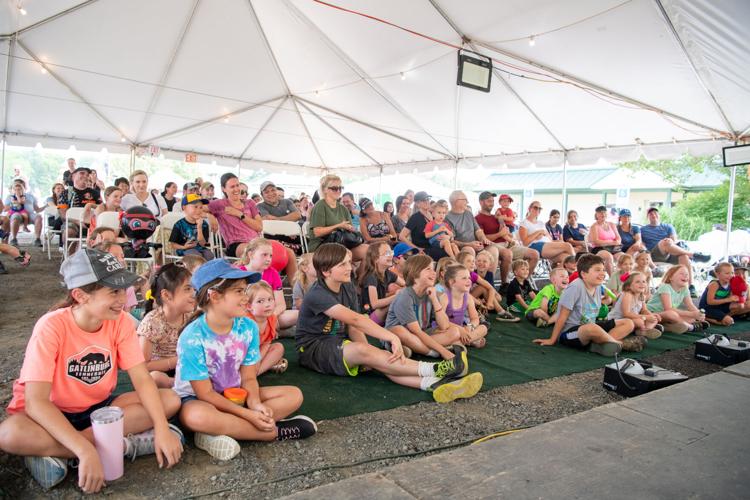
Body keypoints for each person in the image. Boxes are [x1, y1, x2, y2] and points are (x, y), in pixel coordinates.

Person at [0, 249, 184, 492]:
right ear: (80, 295)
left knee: (169, 399)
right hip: (51, 414)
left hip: (98, 410)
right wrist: (85, 450)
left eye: (122, 290)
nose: (123, 299)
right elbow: (36, 403)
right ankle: (114, 446)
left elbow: (142, 379)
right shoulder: (52, 326)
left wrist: (161, 428)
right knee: (9, 434)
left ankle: (59, 454)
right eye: (113, 292)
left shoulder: (120, 322)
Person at [297, 243, 482, 403]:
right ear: (326, 271)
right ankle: (438, 369)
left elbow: (353, 326)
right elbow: (356, 320)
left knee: (380, 358)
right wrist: (389, 337)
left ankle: (434, 384)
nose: (350, 267)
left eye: (348, 262)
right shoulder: (317, 293)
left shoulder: (346, 286)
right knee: (368, 352)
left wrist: (369, 352)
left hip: (339, 343)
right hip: (313, 348)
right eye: (343, 264)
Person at [175, 259, 316, 461]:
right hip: (198, 400)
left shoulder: (247, 328)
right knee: (196, 416)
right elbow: (205, 393)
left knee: (294, 395)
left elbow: (249, 377)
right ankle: (273, 433)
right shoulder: (192, 336)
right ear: (214, 296)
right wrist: (248, 415)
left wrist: (256, 404)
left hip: (237, 395)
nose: (245, 298)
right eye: (239, 292)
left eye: (244, 290)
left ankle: (216, 434)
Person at [533, 253, 638, 355]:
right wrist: (552, 340)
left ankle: (602, 344)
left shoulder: (597, 286)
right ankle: (619, 343)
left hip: (589, 327)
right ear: (584, 274)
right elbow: (562, 316)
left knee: (628, 323)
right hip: (570, 333)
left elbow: (605, 301)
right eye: (597, 270)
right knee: (592, 328)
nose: (603, 273)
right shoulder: (575, 287)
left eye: (603, 270)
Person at [385, 254, 465, 359]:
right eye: (428, 269)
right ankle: (432, 352)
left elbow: (444, 325)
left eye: (433, 269)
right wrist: (443, 351)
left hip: (421, 334)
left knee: (454, 332)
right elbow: (415, 331)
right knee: (398, 330)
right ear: (414, 273)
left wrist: (435, 300)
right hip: (401, 335)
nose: (434, 273)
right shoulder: (405, 296)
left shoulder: (430, 292)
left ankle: (413, 348)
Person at [138, 263, 196, 388]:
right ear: (166, 295)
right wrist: (174, 362)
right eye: (187, 289)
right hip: (162, 370)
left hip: (183, 366)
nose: (193, 294)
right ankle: (176, 385)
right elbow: (142, 365)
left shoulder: (190, 317)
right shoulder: (152, 323)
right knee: (155, 377)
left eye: (193, 289)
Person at [640, 207, 710, 297]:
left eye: (655, 213)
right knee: (664, 242)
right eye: (650, 214)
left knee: (683, 256)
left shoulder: (668, 226)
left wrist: (670, 241)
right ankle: (693, 255)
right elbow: (642, 244)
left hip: (670, 253)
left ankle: (690, 286)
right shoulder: (643, 229)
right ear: (648, 217)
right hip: (655, 254)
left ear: (659, 215)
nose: (653, 215)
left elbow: (674, 240)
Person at [474, 191, 539, 287]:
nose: (491, 203)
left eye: (492, 201)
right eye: (489, 201)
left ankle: (522, 284)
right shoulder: (477, 218)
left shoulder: (496, 217)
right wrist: (500, 234)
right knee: (508, 253)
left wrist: (506, 230)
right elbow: (483, 238)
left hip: (508, 243)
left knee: (534, 254)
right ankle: (505, 285)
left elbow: (506, 230)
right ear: (481, 202)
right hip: (492, 245)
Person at [238, 238, 297, 330]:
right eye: (264, 255)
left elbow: (281, 305)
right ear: (251, 255)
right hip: (246, 316)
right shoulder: (239, 273)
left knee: (296, 314)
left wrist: (269, 316)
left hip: (269, 315)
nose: (268, 259)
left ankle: (269, 329)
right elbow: (236, 303)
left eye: (270, 255)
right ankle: (271, 331)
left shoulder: (273, 273)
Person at [306, 175, 368, 263]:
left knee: (368, 251)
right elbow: (317, 232)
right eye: (334, 188)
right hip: (321, 246)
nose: (338, 191)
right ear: (325, 190)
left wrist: (350, 228)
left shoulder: (343, 208)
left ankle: (361, 276)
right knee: (347, 254)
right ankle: (348, 275)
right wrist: (339, 226)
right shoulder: (320, 205)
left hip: (341, 244)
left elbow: (350, 229)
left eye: (340, 188)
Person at [208, 173, 262, 258]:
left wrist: (239, 214)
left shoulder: (250, 203)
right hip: (236, 244)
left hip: (256, 242)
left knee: (287, 252)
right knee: (253, 252)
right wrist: (209, 215)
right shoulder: (219, 204)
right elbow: (198, 209)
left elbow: (259, 227)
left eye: (237, 185)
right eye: (232, 187)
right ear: (224, 189)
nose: (236, 189)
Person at [646, 265, 709, 333]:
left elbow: (690, 305)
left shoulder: (685, 289)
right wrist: (692, 314)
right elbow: (668, 309)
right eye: (681, 273)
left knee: (692, 318)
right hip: (652, 314)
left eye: (687, 274)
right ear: (671, 277)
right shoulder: (665, 287)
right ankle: (690, 327)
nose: (685, 276)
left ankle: (667, 326)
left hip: (666, 316)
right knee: (671, 314)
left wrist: (698, 314)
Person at [439, 264, 489, 348]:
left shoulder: (468, 297)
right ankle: (468, 341)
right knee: (454, 333)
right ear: (452, 282)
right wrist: (461, 330)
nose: (469, 281)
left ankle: (459, 343)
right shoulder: (444, 298)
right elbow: (442, 323)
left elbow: (475, 319)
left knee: (483, 328)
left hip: (463, 329)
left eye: (469, 278)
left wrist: (469, 326)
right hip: (446, 330)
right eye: (464, 278)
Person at [245, 281, 288, 375]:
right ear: (249, 306)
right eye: (260, 301)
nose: (267, 304)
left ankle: (256, 373)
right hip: (244, 355)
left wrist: (258, 361)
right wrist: (254, 362)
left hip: (258, 351)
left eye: (270, 299)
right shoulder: (246, 322)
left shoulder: (272, 318)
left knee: (279, 347)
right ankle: (251, 372)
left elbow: (266, 344)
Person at [608, 272, 663, 339]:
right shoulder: (627, 295)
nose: (642, 284)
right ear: (628, 286)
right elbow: (626, 314)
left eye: (644, 281)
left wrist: (651, 315)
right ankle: (643, 330)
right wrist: (646, 317)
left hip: (633, 318)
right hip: (619, 320)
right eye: (637, 282)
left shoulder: (641, 296)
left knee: (654, 319)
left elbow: (644, 310)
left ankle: (643, 330)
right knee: (639, 322)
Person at [518, 201, 575, 266]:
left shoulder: (541, 223)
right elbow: (525, 242)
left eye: (540, 208)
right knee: (568, 245)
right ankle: (579, 268)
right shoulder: (524, 223)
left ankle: (556, 274)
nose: (538, 210)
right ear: (529, 208)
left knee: (566, 258)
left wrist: (542, 234)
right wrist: (538, 232)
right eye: (535, 207)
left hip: (548, 245)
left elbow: (549, 238)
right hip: (535, 246)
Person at [358, 242, 401, 325]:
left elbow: (405, 284)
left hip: (378, 314)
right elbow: (374, 304)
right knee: (393, 303)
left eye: (391, 252)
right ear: (375, 258)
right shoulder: (371, 277)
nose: (391, 255)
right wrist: (396, 296)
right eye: (387, 253)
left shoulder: (388, 273)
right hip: (368, 317)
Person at [257, 181, 302, 258]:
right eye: (267, 192)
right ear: (262, 195)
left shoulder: (287, 201)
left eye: (273, 190)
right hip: (273, 236)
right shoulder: (260, 206)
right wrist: (288, 226)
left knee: (307, 241)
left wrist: (279, 221)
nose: (271, 193)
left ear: (276, 191)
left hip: (291, 235)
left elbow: (297, 215)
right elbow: (268, 220)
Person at [169, 194, 214, 261]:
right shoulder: (179, 224)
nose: (198, 210)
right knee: (196, 256)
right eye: (195, 207)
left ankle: (205, 270)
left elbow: (203, 244)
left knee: (210, 255)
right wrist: (184, 247)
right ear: (184, 208)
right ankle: (196, 270)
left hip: (200, 248)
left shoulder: (204, 224)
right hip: (184, 250)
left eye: (201, 207)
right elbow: (172, 244)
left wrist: (199, 228)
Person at [4, 180, 44, 247]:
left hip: (30, 214)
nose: (17, 190)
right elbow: (5, 209)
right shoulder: (10, 197)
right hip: (16, 212)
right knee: (15, 216)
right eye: (15, 188)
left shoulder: (30, 196)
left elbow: (37, 209)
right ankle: (13, 239)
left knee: (39, 216)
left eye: (20, 187)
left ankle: (37, 239)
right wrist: (13, 204)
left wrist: (45, 206)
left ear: (24, 188)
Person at [587, 206, 621, 275]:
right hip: (599, 249)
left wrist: (613, 243)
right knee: (609, 257)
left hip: (613, 248)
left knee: (623, 257)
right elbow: (596, 241)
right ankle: (612, 279)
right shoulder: (594, 226)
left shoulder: (612, 224)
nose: (603, 214)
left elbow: (619, 239)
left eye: (604, 212)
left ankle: (623, 279)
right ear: (596, 215)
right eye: (600, 212)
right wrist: (612, 242)